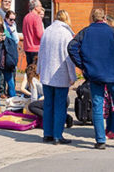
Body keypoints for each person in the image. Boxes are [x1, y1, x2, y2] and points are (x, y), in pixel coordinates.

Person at [67, 8, 114, 149]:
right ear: (105, 18)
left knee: (97, 106)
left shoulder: (85, 32)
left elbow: (71, 47)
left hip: (94, 74)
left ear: (92, 18)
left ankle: (100, 140)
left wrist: (82, 65)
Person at [38, 9, 75, 144]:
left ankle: (47, 133)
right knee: (60, 106)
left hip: (46, 74)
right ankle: (58, 135)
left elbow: (41, 52)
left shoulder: (47, 31)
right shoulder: (66, 34)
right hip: (60, 74)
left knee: (48, 104)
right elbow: (68, 57)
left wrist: (39, 69)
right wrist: (72, 76)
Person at [0, 9, 20, 98]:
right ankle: (0, 96)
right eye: (11, 19)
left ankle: (13, 97)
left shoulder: (13, 26)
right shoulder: (3, 27)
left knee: (10, 79)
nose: (12, 21)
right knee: (0, 79)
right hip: (3, 55)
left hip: (10, 56)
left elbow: (16, 40)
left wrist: (13, 31)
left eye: (14, 19)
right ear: (6, 18)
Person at [22, 0, 45, 68]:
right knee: (36, 70)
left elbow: (24, 32)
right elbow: (40, 35)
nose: (41, 7)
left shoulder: (26, 17)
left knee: (30, 69)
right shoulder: (37, 17)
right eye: (40, 6)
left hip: (27, 47)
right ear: (36, 7)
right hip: (36, 48)